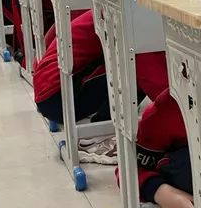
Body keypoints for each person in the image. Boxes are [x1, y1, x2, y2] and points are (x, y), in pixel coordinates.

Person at [33, 11, 168, 164]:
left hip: (51, 87)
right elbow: (153, 80)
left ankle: (103, 125)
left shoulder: (121, 8)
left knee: (131, 61)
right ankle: (99, 135)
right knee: (133, 67)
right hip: (56, 92)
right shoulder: (136, 20)